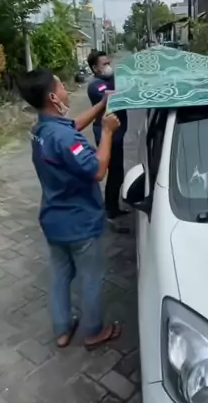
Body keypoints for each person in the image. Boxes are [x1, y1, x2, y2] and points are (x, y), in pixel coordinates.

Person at [17, 68, 122, 350]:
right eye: (61, 86)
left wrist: (101, 106)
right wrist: (107, 132)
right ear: (53, 97)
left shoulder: (41, 130)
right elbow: (97, 170)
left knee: (60, 276)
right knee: (90, 278)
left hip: (54, 221)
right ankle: (93, 332)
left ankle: (62, 330)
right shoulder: (65, 139)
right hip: (79, 223)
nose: (65, 89)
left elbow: (71, 126)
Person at [87, 50, 128, 226]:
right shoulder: (96, 86)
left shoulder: (110, 80)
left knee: (118, 172)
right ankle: (109, 210)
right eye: (104, 64)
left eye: (108, 63)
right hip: (107, 134)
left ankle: (113, 207)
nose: (108, 67)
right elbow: (113, 97)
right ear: (95, 68)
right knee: (114, 172)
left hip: (117, 133)